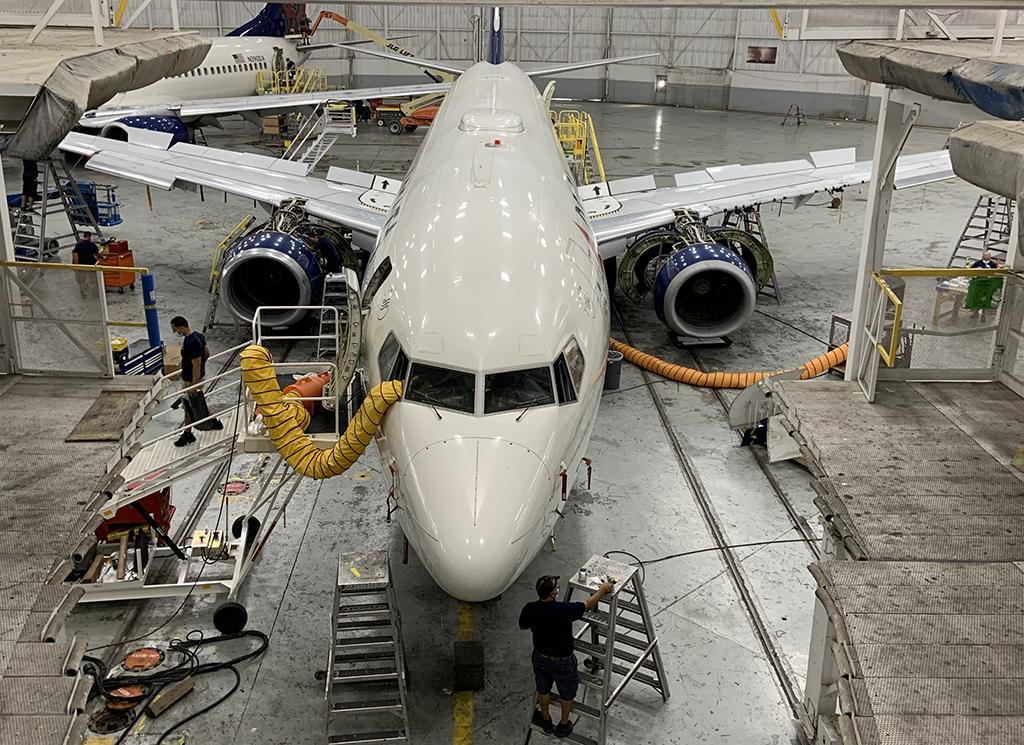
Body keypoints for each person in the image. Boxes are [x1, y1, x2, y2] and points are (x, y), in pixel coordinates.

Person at [519, 575, 615, 738]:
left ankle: (546, 720)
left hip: (540, 657)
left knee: (543, 689)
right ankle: (563, 724)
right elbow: (588, 605)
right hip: (562, 661)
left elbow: (523, 626)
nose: (558, 589)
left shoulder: (530, 608)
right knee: (567, 692)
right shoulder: (564, 610)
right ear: (553, 594)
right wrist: (603, 589)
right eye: (556, 587)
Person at [171, 316, 210, 447]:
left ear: (182, 327)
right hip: (193, 378)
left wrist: (194, 384)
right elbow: (207, 353)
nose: (175, 332)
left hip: (190, 380)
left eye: (176, 329)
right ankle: (190, 431)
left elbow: (197, 364)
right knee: (192, 405)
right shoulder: (198, 336)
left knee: (189, 407)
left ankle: (188, 434)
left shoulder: (190, 342)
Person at [71, 231, 100, 298]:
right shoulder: (92, 245)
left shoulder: (78, 245)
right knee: (92, 280)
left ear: (84, 236)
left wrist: (75, 266)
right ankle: (94, 294)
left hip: (81, 266)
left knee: (82, 281)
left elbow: (75, 256)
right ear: (89, 237)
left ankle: (83, 294)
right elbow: (96, 256)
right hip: (91, 266)